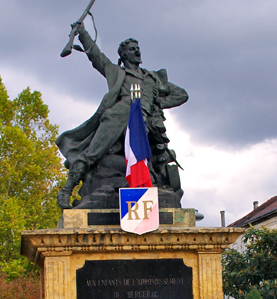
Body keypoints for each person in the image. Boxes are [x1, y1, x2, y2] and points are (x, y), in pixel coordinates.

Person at [55, 22, 187, 209]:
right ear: (124, 55)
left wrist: (157, 103)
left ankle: (145, 197)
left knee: (147, 162)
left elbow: (181, 94)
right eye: (132, 49)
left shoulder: (151, 77)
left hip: (142, 119)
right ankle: (67, 190)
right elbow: (96, 56)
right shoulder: (117, 72)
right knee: (92, 153)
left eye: (137, 48)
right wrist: (82, 33)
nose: (137, 52)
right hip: (119, 114)